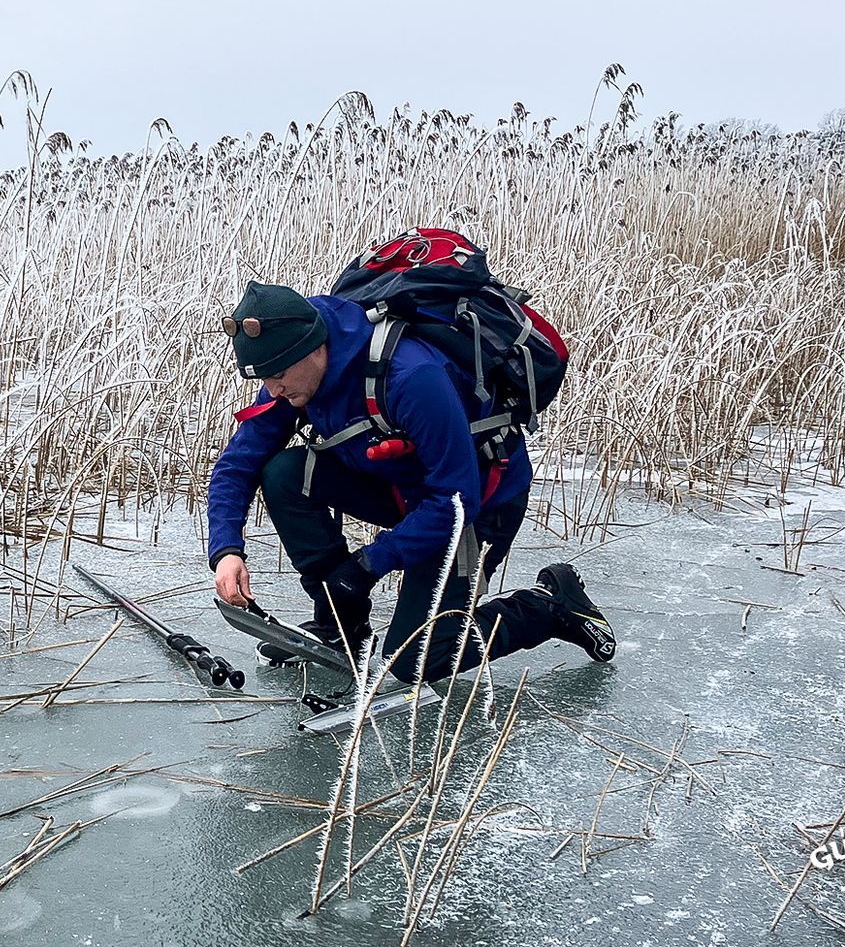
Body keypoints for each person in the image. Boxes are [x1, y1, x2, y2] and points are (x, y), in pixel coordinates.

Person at [205, 280, 615, 684]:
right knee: (284, 474)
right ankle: (339, 625)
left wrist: (368, 565)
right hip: (403, 489)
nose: (271, 388)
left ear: (314, 348)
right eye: (262, 378)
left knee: (415, 659)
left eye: (277, 374)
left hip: (479, 504)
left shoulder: (411, 376)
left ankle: (549, 606)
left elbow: (457, 499)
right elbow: (237, 465)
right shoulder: (293, 377)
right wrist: (225, 550)